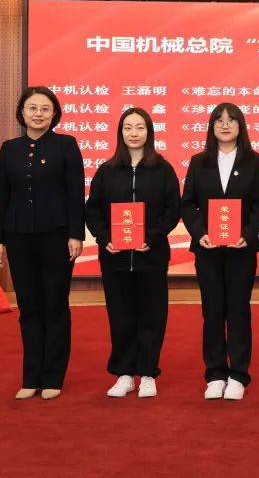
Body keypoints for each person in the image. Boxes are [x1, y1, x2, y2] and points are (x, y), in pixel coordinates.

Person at [0, 87, 84, 400]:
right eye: (32, 108)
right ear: (22, 112)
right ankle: (31, 377)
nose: (38, 114)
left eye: (45, 108)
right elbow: (0, 196)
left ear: (54, 113)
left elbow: (75, 193)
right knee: (29, 307)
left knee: (55, 305)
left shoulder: (66, 145)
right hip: (18, 236)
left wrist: (76, 234)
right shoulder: (9, 149)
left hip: (57, 236)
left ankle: (53, 376)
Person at [85, 108, 180, 399]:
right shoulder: (107, 170)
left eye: (140, 127)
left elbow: (172, 210)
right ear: (120, 133)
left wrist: (152, 237)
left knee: (153, 315)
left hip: (151, 256)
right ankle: (124, 374)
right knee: (121, 316)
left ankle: (148, 373)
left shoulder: (163, 169)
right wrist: (104, 238)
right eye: (128, 128)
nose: (134, 133)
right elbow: (93, 210)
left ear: (149, 132)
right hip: (114, 258)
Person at [181, 103, 259, 400]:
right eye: (219, 120)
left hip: (241, 249)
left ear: (240, 126)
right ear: (211, 126)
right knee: (213, 310)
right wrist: (200, 233)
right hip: (208, 249)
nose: (225, 125)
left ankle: (239, 375)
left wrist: (247, 235)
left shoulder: (255, 161)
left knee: (238, 310)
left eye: (231, 120)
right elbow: (188, 204)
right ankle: (215, 374)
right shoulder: (199, 161)